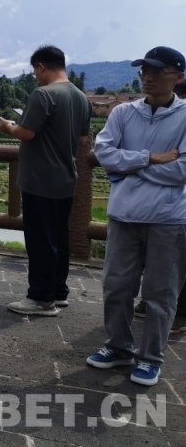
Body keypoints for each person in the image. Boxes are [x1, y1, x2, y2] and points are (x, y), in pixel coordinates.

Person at [87, 46, 186, 387]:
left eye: (157, 72)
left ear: (178, 76)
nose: (148, 78)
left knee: (160, 293)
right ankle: (118, 347)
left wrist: (127, 165)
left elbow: (182, 171)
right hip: (124, 215)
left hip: (167, 218)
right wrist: (150, 158)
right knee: (116, 286)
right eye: (145, 71)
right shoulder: (123, 113)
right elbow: (103, 152)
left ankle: (150, 358)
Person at [0, 45, 91, 316]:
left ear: (41, 67)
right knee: (58, 237)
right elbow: (83, 140)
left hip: (40, 178)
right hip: (66, 178)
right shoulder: (81, 97)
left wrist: (6, 126)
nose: (36, 77)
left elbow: (26, 133)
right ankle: (58, 292)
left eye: (35, 71)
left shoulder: (43, 94)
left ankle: (40, 298)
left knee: (40, 241)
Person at [135, 78, 186, 331]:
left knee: (173, 265)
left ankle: (178, 314)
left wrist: (133, 167)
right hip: (165, 204)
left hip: (174, 207)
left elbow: (179, 170)